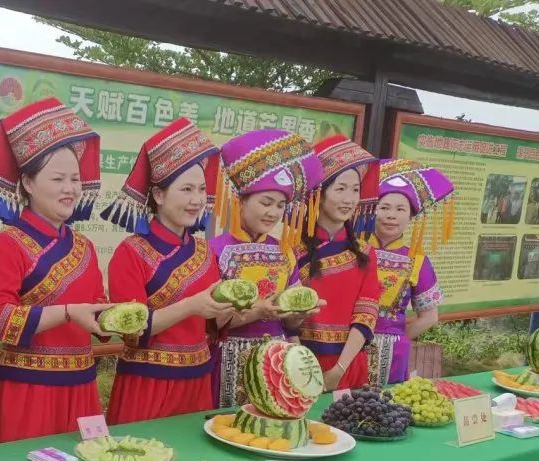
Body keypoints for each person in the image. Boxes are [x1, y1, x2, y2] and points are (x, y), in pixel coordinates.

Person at [0, 98, 110, 446]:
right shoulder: (6, 245)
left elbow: (96, 307)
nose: (71, 188)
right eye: (59, 178)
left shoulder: (85, 247)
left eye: (75, 179)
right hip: (27, 392)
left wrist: (114, 318)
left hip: (82, 388)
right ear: (28, 183)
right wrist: (67, 313)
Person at [100, 118, 234, 424]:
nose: (197, 200)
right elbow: (133, 331)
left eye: (201, 189)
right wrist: (191, 306)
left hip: (198, 384)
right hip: (147, 385)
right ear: (158, 195)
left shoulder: (204, 251)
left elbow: (212, 324)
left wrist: (237, 308)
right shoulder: (131, 252)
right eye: (186, 189)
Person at [209, 129, 324, 407]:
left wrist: (298, 315)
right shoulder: (214, 250)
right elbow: (211, 322)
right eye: (265, 203)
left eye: (281, 205)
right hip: (227, 359)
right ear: (241, 200)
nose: (273, 212)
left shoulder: (285, 252)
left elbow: (290, 324)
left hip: (278, 362)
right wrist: (258, 311)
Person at [291, 134, 382, 391]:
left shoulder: (365, 252)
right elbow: (286, 316)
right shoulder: (291, 250)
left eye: (355, 190)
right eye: (340, 189)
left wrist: (339, 369)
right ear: (319, 193)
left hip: (348, 364)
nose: (349, 199)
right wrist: (304, 367)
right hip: (299, 363)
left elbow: (366, 314)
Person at [367, 159, 453, 386]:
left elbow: (429, 316)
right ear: (372, 211)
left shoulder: (417, 261)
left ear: (411, 216)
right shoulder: (355, 251)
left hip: (393, 354)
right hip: (345, 346)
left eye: (400, 209)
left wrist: (396, 338)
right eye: (384, 207)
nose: (391, 215)